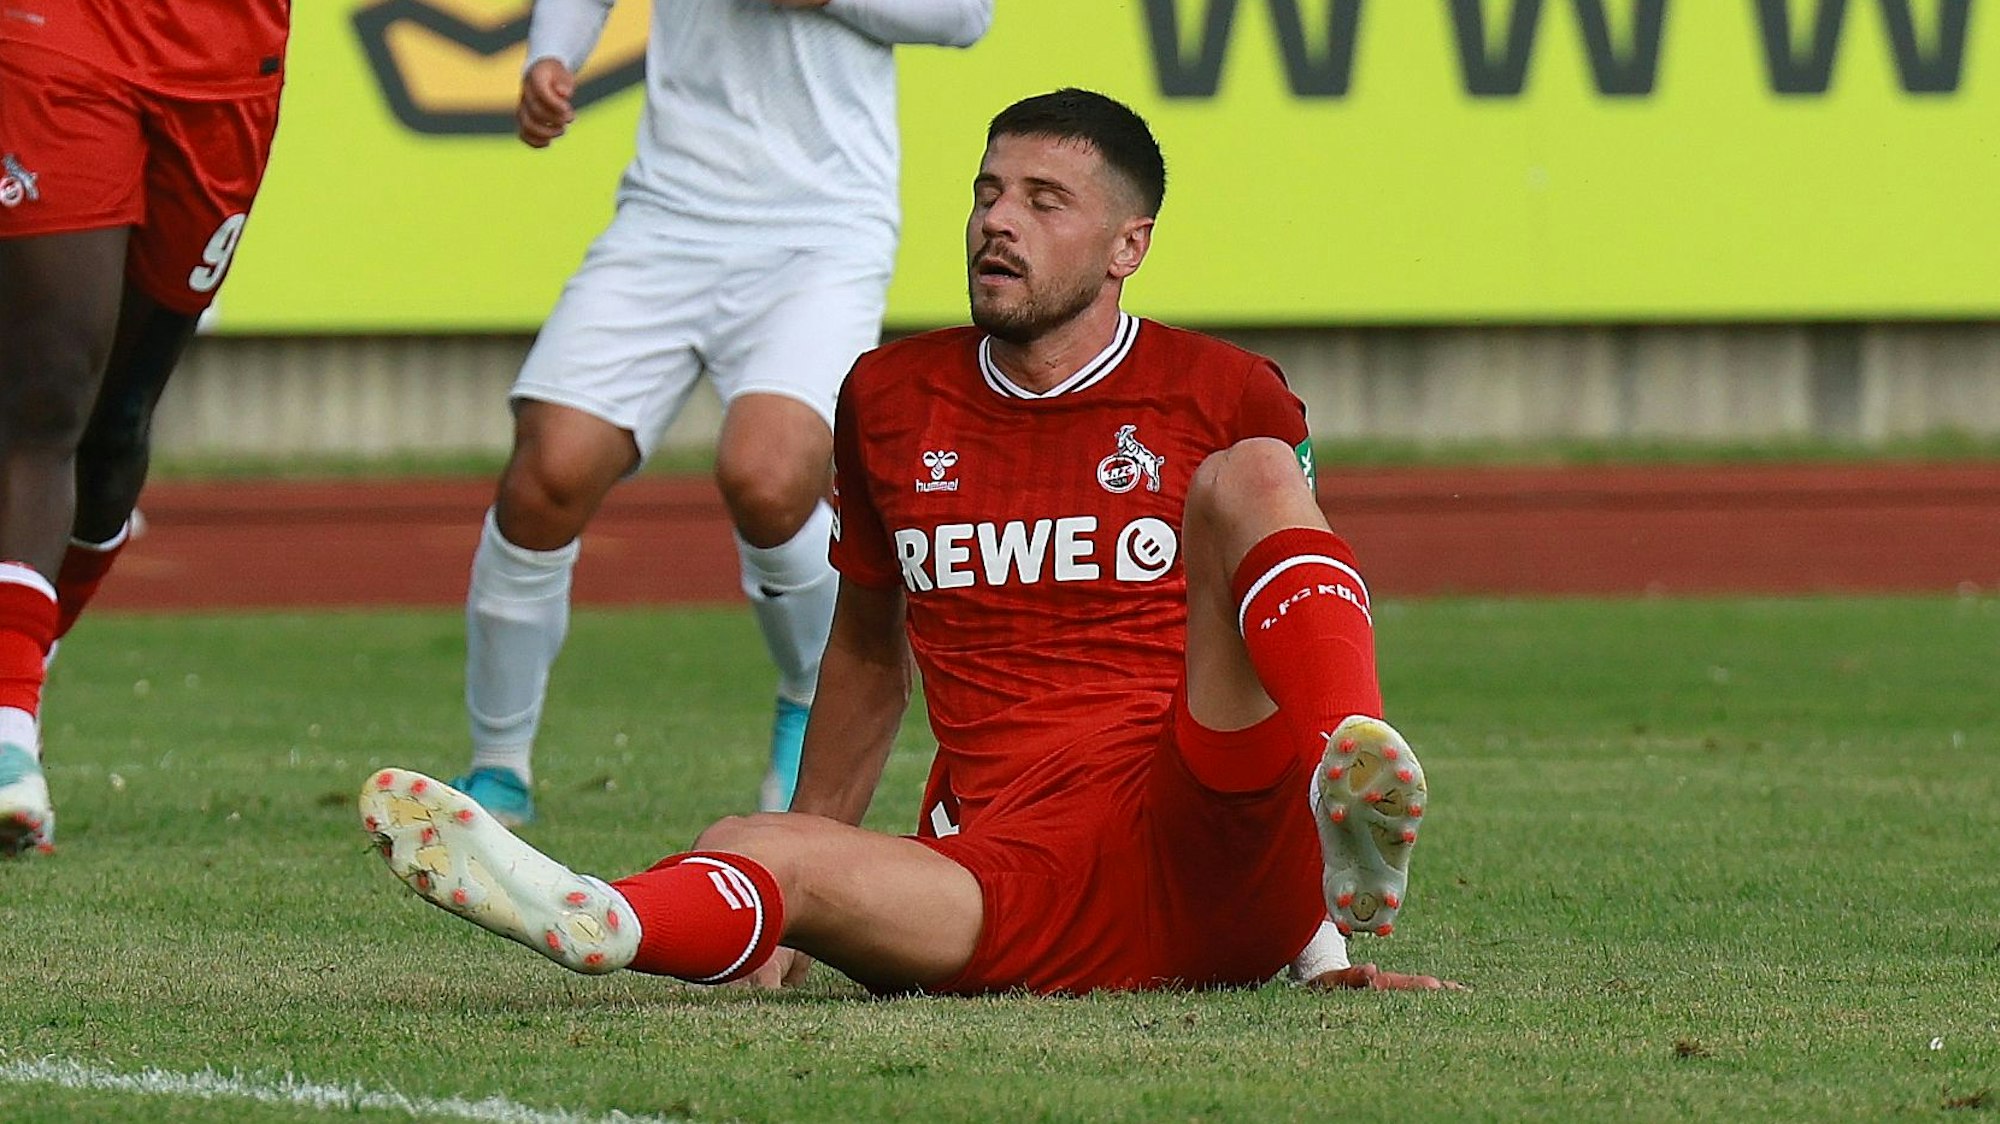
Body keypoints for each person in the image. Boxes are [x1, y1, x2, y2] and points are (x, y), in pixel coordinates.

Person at [363, 89, 1455, 994]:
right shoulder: (888, 398)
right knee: (753, 843)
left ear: (1129, 244)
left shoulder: (1223, 389)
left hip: (1210, 820)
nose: (996, 220)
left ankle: (1345, 750)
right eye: (985, 193)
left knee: (1252, 477)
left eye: (1042, 200)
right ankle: (601, 915)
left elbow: (1265, 635)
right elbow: (866, 658)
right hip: (1015, 865)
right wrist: (787, 919)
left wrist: (1320, 952)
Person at [451, 0, 993, 825]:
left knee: (769, 476)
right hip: (668, 215)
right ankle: (497, 770)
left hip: (823, 228)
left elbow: (965, 16)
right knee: (547, 472)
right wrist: (549, 57)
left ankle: (814, 691)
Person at [0, 0, 291, 856]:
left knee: (117, 428)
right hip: (59, 31)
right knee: (46, 390)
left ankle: (21, 686)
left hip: (227, 58)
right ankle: (8, 734)